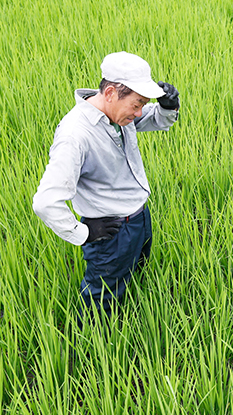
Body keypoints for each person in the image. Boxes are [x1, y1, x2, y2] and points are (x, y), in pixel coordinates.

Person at [33, 51, 180, 327]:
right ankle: (93, 353)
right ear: (111, 92)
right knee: (100, 304)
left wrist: (167, 107)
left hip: (138, 218)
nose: (139, 113)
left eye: (143, 105)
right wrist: (83, 233)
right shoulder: (75, 135)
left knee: (135, 281)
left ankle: (132, 324)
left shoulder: (117, 114)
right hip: (110, 233)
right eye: (137, 104)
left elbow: (156, 120)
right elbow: (45, 201)